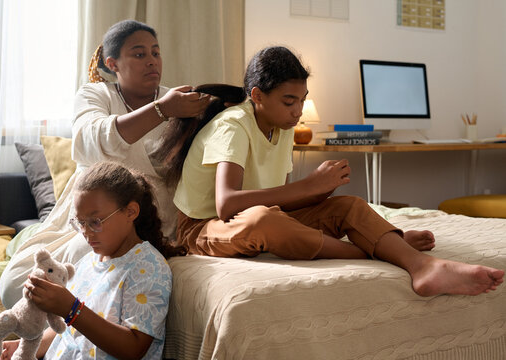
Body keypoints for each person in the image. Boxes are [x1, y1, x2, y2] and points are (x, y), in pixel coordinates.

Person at [172, 46, 504, 297]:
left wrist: (318, 192)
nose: (298, 111)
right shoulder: (232, 126)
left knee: (350, 205)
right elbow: (227, 205)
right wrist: (307, 187)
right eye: (289, 101)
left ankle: (423, 267)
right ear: (257, 96)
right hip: (203, 228)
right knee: (265, 221)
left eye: (302, 100)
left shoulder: (282, 126)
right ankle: (381, 249)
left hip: (253, 218)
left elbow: (285, 202)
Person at [0, 19, 210, 309]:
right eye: (139, 54)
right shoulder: (96, 95)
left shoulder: (179, 103)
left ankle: (84, 330)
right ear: (113, 63)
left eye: (155, 52)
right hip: (90, 216)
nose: (151, 61)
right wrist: (162, 111)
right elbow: (89, 140)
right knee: (15, 285)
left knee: (90, 263)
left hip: (152, 216)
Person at [0, 161, 178, 360]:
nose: (86, 233)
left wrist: (71, 309)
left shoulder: (149, 267)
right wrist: (25, 348)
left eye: (95, 222)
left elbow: (134, 349)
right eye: (81, 223)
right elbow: (69, 330)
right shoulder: (88, 261)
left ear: (131, 212)